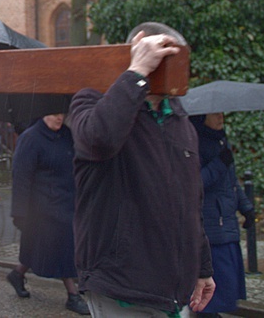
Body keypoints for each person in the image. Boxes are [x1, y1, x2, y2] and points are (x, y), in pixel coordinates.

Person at [67, 22, 215, 317]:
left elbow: (190, 201)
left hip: (174, 292)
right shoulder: (92, 100)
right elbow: (100, 140)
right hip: (122, 286)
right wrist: (136, 74)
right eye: (164, 56)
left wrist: (201, 268)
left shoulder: (179, 119)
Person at [6, 113, 89, 315]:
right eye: (54, 114)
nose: (59, 118)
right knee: (65, 246)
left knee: (40, 246)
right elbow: (21, 177)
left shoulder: (67, 135)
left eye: (62, 114)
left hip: (67, 201)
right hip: (43, 207)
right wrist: (20, 212)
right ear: (43, 114)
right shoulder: (30, 138)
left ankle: (17, 274)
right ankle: (72, 294)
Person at [191, 113, 255, 318]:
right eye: (216, 114)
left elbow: (231, 181)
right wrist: (220, 163)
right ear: (203, 117)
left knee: (226, 283)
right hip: (211, 224)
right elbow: (195, 183)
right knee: (212, 282)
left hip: (226, 223)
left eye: (222, 114)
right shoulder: (195, 142)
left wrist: (246, 207)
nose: (221, 118)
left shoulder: (221, 140)